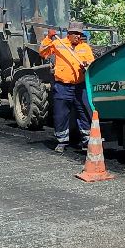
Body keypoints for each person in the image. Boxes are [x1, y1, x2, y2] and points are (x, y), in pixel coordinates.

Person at [40, 22, 96, 153]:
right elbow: (43, 52)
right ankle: (62, 141)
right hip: (62, 86)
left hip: (80, 87)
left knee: (84, 112)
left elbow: (91, 62)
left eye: (79, 34)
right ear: (69, 33)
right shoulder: (58, 43)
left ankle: (87, 141)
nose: (77, 36)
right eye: (75, 33)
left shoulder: (85, 48)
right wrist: (48, 38)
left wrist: (87, 65)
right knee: (61, 114)